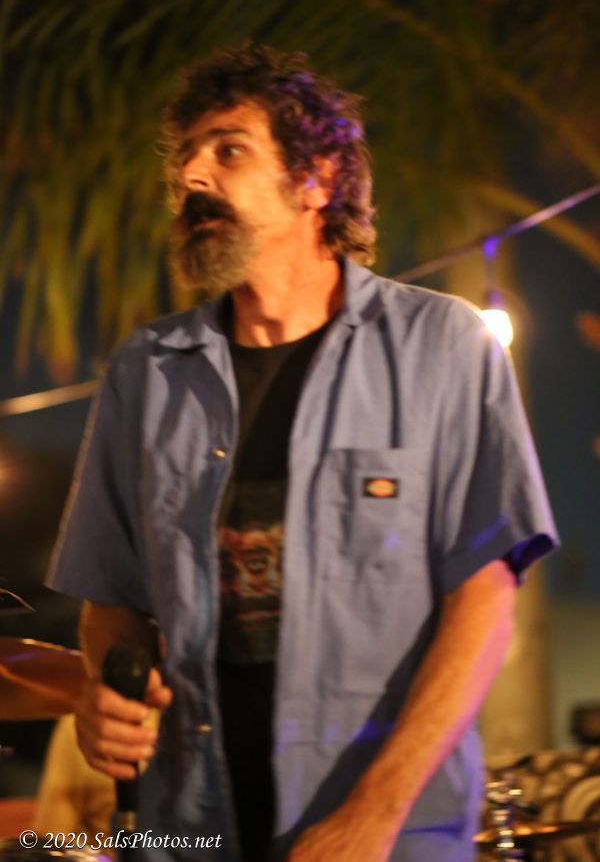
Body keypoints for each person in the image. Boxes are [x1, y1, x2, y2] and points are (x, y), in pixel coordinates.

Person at [46, 44, 558, 862]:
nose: (192, 176)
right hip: (194, 828)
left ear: (316, 178)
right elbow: (111, 599)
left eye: (229, 150)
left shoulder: (443, 347)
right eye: (185, 159)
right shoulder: (146, 371)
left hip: (388, 834)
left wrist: (374, 813)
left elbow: (485, 596)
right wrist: (104, 693)